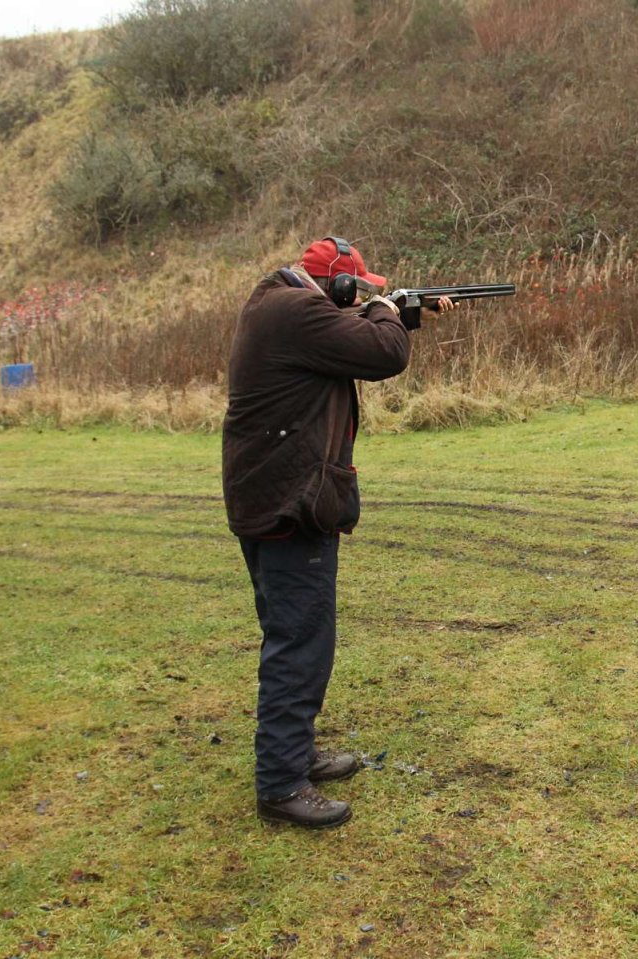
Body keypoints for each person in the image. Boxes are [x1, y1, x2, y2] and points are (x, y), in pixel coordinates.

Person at [221, 235, 451, 829]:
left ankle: (294, 756)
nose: (361, 297)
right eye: (356, 289)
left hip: (278, 492)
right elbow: (382, 355)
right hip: (289, 502)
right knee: (300, 642)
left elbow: (349, 348)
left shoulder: (283, 305)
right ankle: (280, 785)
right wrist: (387, 310)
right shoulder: (295, 311)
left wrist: (404, 314)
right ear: (336, 287)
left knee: (297, 635)